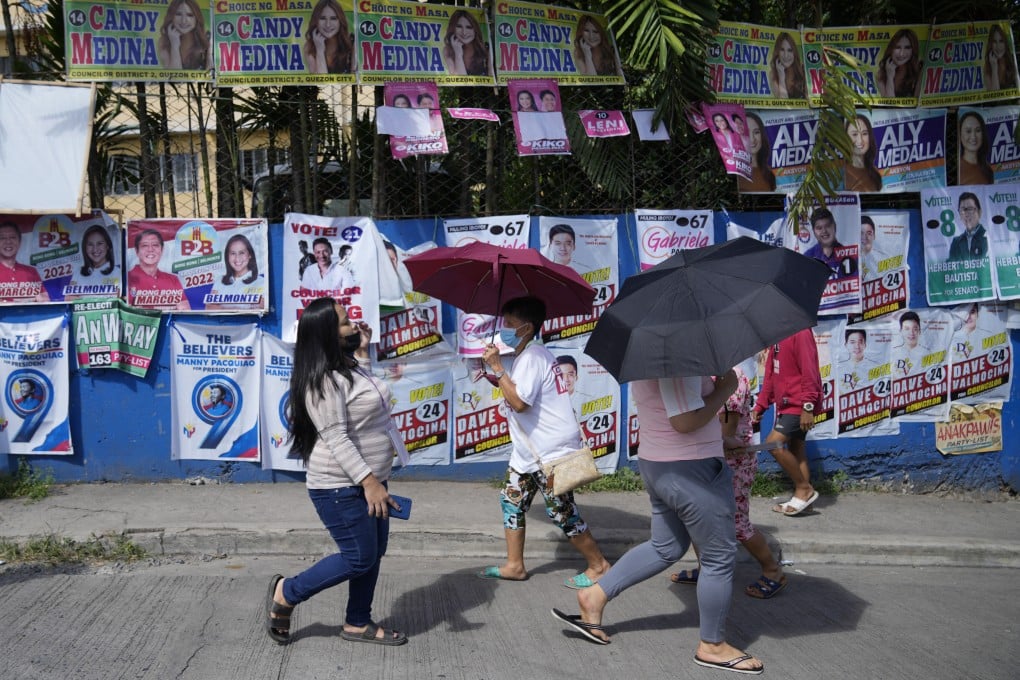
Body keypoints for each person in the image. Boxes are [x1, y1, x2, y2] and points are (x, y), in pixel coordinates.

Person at [553, 368, 765, 675]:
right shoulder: (677, 358)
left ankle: (593, 596)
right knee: (718, 557)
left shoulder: (659, 349)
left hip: (662, 463)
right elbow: (683, 421)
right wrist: (726, 388)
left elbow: (676, 411)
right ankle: (713, 646)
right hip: (690, 469)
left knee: (665, 546)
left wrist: (719, 436)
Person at [266, 297, 407, 647]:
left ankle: (357, 623)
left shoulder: (346, 366)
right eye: (346, 323)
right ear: (328, 334)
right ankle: (288, 592)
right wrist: (370, 482)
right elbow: (336, 437)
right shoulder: (322, 381)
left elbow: (364, 400)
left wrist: (361, 352)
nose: (354, 324)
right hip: (341, 486)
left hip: (369, 481)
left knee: (372, 553)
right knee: (358, 557)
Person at [478, 296, 611, 588]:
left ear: (526, 328)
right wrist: (497, 377)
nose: (504, 330)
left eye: (509, 325)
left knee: (561, 511)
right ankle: (515, 565)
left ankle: (599, 565)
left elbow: (521, 403)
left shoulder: (533, 357)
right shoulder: (532, 355)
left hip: (548, 451)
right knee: (511, 501)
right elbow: (523, 393)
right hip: (529, 452)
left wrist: (499, 368)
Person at [670, 366, 786, 600]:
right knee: (696, 518)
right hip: (705, 459)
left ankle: (773, 571)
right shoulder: (699, 375)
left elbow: (727, 430)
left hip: (733, 462)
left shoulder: (732, 379)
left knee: (737, 523)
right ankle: (706, 572)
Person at [751, 328, 822, 517]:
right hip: (787, 403)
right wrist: (760, 405)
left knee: (773, 444)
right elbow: (770, 376)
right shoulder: (776, 336)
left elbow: (810, 370)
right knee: (797, 449)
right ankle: (804, 502)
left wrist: (808, 406)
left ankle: (804, 488)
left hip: (799, 404)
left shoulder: (801, 332)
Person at [127, 229, 190, 310]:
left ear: (162, 249)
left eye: (155, 245)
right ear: (137, 251)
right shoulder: (128, 278)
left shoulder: (172, 279)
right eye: (145, 245)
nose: (150, 249)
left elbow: (184, 310)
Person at [207, 234, 264, 310]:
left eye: (242, 253)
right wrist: (244, 307)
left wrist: (222, 308)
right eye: (233, 253)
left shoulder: (261, 282)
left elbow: (260, 309)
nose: (237, 258)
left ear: (250, 255)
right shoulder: (219, 281)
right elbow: (209, 308)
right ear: (227, 256)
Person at [0, 221, 49, 303]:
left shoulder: (31, 272)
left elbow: (45, 298)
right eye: (2, 238)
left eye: (12, 237)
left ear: (19, 242)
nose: (8, 242)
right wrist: (32, 299)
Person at [157, 0, 210, 70]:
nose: (184, 21)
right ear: (171, 16)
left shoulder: (207, 39)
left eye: (190, 15)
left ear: (197, 18)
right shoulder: (164, 42)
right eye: (178, 14)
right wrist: (174, 45)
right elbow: (174, 76)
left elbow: (211, 74)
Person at [303, 0, 354, 74]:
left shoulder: (352, 41)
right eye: (322, 18)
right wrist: (320, 50)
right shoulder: (310, 46)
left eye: (333, 18)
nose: (328, 24)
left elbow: (354, 77)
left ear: (340, 21)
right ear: (316, 20)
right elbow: (321, 80)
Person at [875, 29, 922, 98]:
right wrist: (890, 76)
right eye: (897, 47)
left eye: (907, 48)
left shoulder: (919, 70)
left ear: (913, 50)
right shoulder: (882, 73)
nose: (901, 54)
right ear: (891, 49)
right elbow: (889, 103)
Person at [443, 9, 490, 76]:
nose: (464, 32)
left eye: (469, 27)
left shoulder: (486, 48)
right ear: (453, 28)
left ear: (475, 29)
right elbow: (460, 79)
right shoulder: (448, 50)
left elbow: (492, 76)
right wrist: (458, 54)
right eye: (459, 26)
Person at [737, 112, 776, 193]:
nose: (752, 139)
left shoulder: (769, 174)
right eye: (746, 132)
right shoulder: (735, 173)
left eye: (756, 132)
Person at [844, 114, 882, 192]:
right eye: (854, 134)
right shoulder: (842, 173)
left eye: (864, 134)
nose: (860, 140)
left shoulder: (874, 172)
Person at [803, 207, 846, 275]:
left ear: (834, 226)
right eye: (819, 228)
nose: (824, 231)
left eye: (828, 226)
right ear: (814, 231)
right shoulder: (808, 257)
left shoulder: (847, 254)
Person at [948, 192, 988, 261]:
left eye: (970, 209)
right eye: (962, 210)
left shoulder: (988, 237)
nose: (966, 214)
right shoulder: (956, 242)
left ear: (979, 212)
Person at [958, 111, 994, 185]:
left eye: (978, 130)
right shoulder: (956, 169)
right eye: (968, 131)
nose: (973, 136)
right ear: (960, 135)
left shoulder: (987, 170)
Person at [769, 32, 806, 99]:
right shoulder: (773, 74)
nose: (786, 55)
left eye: (790, 50)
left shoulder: (803, 69)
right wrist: (781, 76)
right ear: (777, 51)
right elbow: (784, 104)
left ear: (794, 52)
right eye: (782, 50)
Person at [893, 311, 928, 377]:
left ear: (919, 331)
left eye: (915, 329)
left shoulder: (927, 353)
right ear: (901, 331)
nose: (911, 333)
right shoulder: (894, 353)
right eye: (907, 329)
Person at [984, 24, 1017, 91]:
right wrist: (994, 68)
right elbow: (994, 94)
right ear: (991, 44)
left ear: (1005, 43)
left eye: (1001, 41)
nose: (998, 47)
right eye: (994, 42)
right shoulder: (987, 66)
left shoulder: (1013, 60)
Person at [860, 215, 885, 280]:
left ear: (874, 236)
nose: (865, 237)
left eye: (869, 233)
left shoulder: (882, 258)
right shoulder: (849, 258)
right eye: (861, 233)